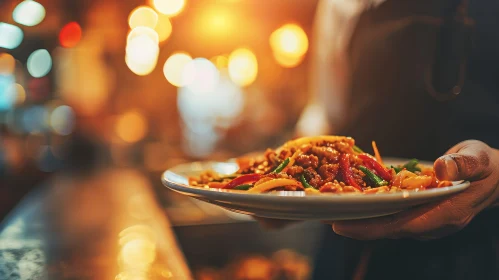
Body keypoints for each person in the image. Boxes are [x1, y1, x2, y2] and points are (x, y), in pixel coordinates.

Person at [266, 0, 499, 279]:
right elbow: (326, 112)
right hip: (349, 238)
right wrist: (286, 177)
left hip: (482, 245)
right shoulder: (342, 4)